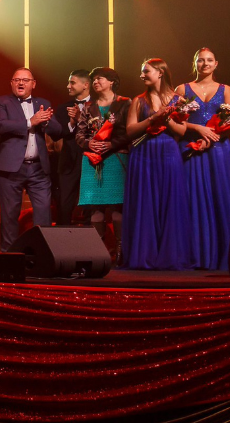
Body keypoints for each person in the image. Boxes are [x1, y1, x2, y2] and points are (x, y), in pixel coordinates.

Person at [123, 58, 195, 270]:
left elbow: (182, 131)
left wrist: (167, 118)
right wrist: (153, 118)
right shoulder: (138, 101)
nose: (142, 75)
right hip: (143, 154)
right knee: (145, 202)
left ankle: (170, 256)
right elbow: (130, 131)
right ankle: (144, 255)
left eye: (146, 71)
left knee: (169, 201)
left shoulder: (178, 100)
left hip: (168, 153)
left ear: (160, 73)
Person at [179, 48, 230, 270]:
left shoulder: (226, 89)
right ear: (195, 63)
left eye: (209, 60)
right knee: (191, 200)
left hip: (218, 150)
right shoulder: (182, 89)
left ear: (216, 64)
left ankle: (224, 256)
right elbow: (174, 120)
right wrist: (198, 129)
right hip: (191, 149)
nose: (205, 64)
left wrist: (211, 138)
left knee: (221, 199)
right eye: (201, 60)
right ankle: (193, 255)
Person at [0, 67, 63, 251]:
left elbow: (57, 131)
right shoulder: (2, 102)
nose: (21, 83)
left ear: (33, 84)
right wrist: (31, 122)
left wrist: (46, 121)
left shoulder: (42, 103)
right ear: (11, 83)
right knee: (9, 215)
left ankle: (41, 254)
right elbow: (1, 125)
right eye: (17, 80)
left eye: (25, 80)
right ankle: (9, 258)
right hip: (11, 169)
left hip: (38, 169)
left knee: (43, 213)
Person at [75, 67, 131, 261]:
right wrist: (88, 143)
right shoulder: (88, 106)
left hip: (116, 158)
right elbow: (79, 134)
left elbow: (130, 132)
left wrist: (112, 144)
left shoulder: (125, 103)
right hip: (92, 160)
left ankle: (120, 250)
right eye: (94, 80)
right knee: (95, 206)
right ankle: (98, 252)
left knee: (117, 206)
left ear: (112, 81)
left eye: (100, 79)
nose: (96, 82)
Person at [57, 70, 92, 226]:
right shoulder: (63, 108)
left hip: (91, 160)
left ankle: (93, 238)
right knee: (64, 204)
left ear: (85, 85)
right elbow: (58, 134)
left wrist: (81, 119)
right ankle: (63, 238)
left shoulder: (99, 105)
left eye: (72, 82)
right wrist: (72, 123)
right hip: (69, 161)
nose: (68, 86)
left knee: (91, 205)